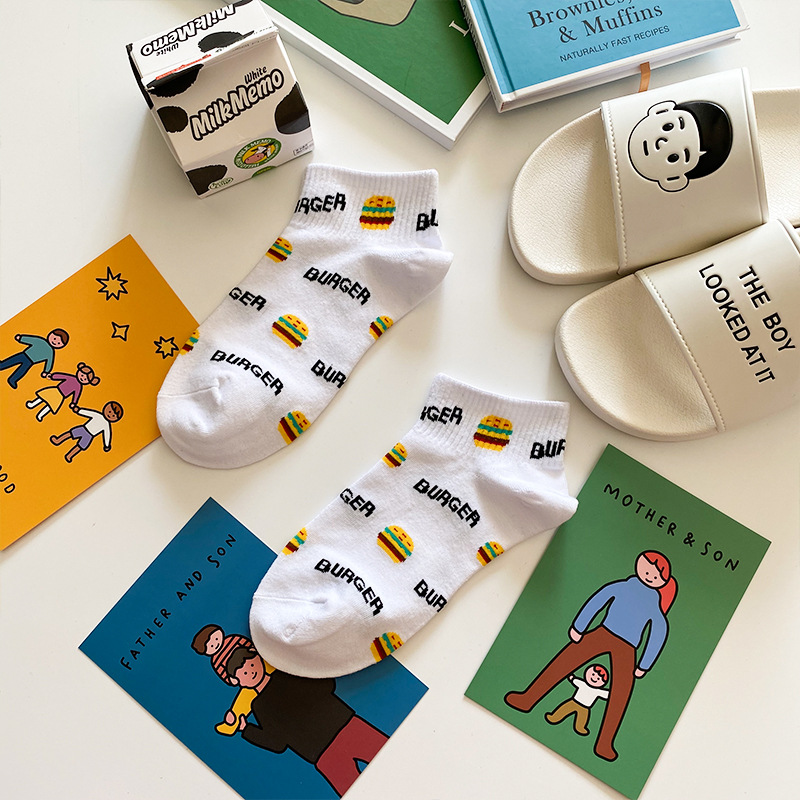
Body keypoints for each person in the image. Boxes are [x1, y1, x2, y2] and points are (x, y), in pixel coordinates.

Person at [505, 551, 677, 761]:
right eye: (647, 569)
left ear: (662, 581)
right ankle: (527, 699)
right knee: (564, 661)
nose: (649, 575)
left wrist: (644, 664)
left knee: (621, 691)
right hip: (604, 632)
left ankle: (605, 742)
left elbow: (659, 632)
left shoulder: (653, 604)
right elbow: (598, 600)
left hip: (627, 647)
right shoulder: (623, 586)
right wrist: (579, 626)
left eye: (655, 574)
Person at [228, 646, 388, 797]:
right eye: (244, 673)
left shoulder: (284, 673)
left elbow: (326, 684)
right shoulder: (260, 706)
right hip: (324, 753)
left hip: (346, 728)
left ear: (257, 657)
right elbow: (277, 743)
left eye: (251, 665)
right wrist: (246, 729)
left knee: (392, 756)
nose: (251, 672)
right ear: (236, 681)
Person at [190, 624, 261, 735]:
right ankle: (232, 722)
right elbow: (224, 675)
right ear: (207, 652)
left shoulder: (233, 639)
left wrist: (253, 650)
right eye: (211, 645)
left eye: (215, 639)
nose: (216, 644)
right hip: (245, 681)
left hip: (258, 663)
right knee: (243, 702)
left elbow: (246, 643)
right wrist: (232, 680)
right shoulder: (216, 661)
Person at [544, 663, 609, 735]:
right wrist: (571, 676)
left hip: (585, 708)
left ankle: (580, 728)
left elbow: (606, 694)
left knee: (582, 719)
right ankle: (554, 717)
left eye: (598, 678)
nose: (594, 678)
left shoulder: (597, 691)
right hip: (574, 702)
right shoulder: (582, 683)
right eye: (593, 674)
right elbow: (574, 680)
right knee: (563, 710)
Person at [49, 400, 123, 462]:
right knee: (70, 433)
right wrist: (79, 410)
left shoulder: (106, 425)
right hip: (83, 428)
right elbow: (88, 413)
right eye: (109, 411)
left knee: (80, 446)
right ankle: (58, 440)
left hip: (89, 436)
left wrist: (107, 445)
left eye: (113, 416)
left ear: (115, 419)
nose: (110, 415)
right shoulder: (98, 415)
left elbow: (107, 435)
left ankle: (70, 455)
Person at [25, 363, 99, 421]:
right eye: (82, 375)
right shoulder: (71, 378)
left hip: (61, 397)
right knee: (42, 397)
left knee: (50, 406)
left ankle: (40, 415)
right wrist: (52, 376)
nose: (82, 378)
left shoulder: (79, 387)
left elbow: (76, 395)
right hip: (56, 390)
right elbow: (61, 376)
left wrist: (74, 403)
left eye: (85, 379)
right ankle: (32, 404)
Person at [0, 329, 69, 388]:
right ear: (51, 334)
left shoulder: (50, 352)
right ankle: (1, 365)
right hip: (24, 354)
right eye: (54, 338)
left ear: (61, 346)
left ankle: (13, 379)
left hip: (30, 362)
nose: (55, 342)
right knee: (11, 361)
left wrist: (46, 371)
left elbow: (49, 362)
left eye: (58, 343)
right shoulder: (41, 341)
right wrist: (21, 338)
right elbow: (31, 340)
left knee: (21, 370)